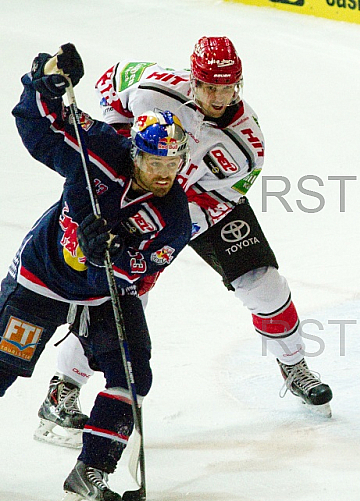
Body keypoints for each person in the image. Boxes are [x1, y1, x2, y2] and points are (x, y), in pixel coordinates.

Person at [34, 36, 333, 447]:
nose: (218, 96)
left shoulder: (248, 141)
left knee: (263, 282)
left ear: (239, 83)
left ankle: (294, 365)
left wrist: (176, 228)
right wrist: (119, 150)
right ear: (194, 79)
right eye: (209, 86)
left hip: (193, 205)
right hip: (136, 187)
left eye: (227, 88)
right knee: (119, 294)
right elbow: (112, 80)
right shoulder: (156, 87)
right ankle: (63, 388)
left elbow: (228, 193)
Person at [2, 44, 192, 501]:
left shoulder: (174, 216)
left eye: (172, 165)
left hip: (103, 294)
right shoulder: (102, 148)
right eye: (155, 164)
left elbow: (145, 271)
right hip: (40, 279)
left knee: (133, 374)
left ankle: (90, 473)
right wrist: (44, 83)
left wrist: (112, 259)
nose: (163, 174)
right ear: (136, 153)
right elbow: (41, 126)